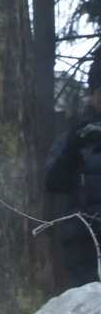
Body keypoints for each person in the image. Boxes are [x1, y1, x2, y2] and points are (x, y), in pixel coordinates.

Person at [45, 59, 101, 288]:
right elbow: (53, 184)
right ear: (90, 94)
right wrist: (70, 152)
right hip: (83, 240)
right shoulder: (72, 139)